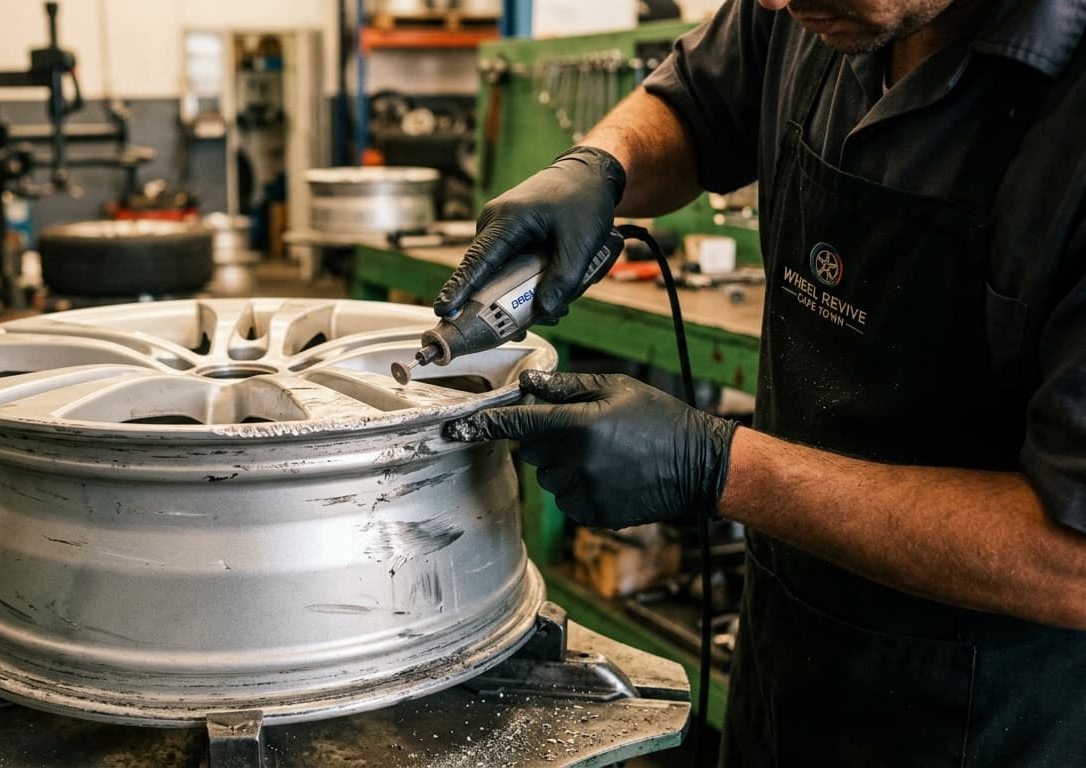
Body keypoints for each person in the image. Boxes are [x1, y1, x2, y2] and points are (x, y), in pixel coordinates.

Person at [439, 0, 1086, 762]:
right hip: (785, 652)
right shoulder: (808, 9)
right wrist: (598, 166)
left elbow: (1071, 559)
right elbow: (696, 104)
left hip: (985, 719)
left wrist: (720, 466)